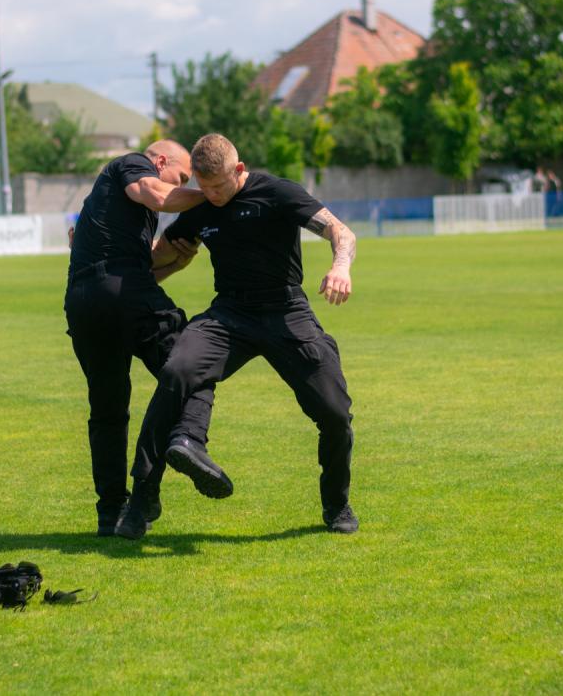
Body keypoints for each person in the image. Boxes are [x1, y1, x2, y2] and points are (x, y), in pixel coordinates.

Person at [116, 133, 359, 538]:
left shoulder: (277, 193)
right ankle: (142, 499)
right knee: (176, 372)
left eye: (219, 186)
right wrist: (105, 252)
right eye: (204, 186)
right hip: (230, 314)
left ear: (239, 170)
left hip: (285, 311)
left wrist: (340, 267)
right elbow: (160, 253)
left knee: (335, 413)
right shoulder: (202, 207)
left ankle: (337, 503)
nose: (211, 195)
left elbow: (341, 232)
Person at [65, 139, 223, 536]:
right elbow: (155, 193)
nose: (184, 185)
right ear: (161, 160)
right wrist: (212, 192)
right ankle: (186, 442)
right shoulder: (132, 165)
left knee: (108, 410)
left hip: (84, 303)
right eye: (182, 177)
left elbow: (140, 267)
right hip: (121, 293)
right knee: (194, 364)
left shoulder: (111, 208)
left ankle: (111, 513)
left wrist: (176, 265)